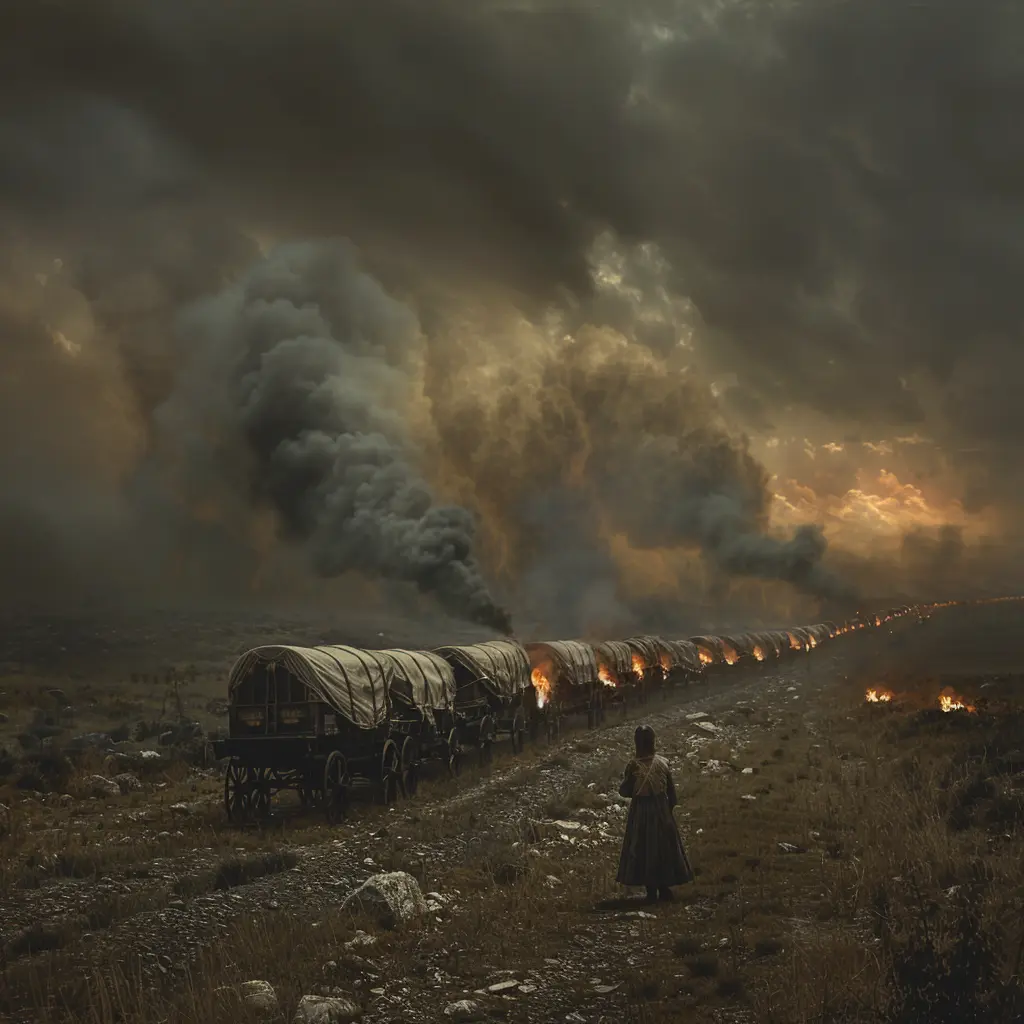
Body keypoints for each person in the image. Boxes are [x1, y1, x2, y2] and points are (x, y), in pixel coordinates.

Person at [616, 724, 694, 902]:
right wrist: (667, 812)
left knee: (642, 848)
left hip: (641, 812)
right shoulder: (663, 763)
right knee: (664, 848)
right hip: (661, 810)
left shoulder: (633, 766)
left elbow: (624, 791)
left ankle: (650, 889)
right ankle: (664, 887)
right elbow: (672, 794)